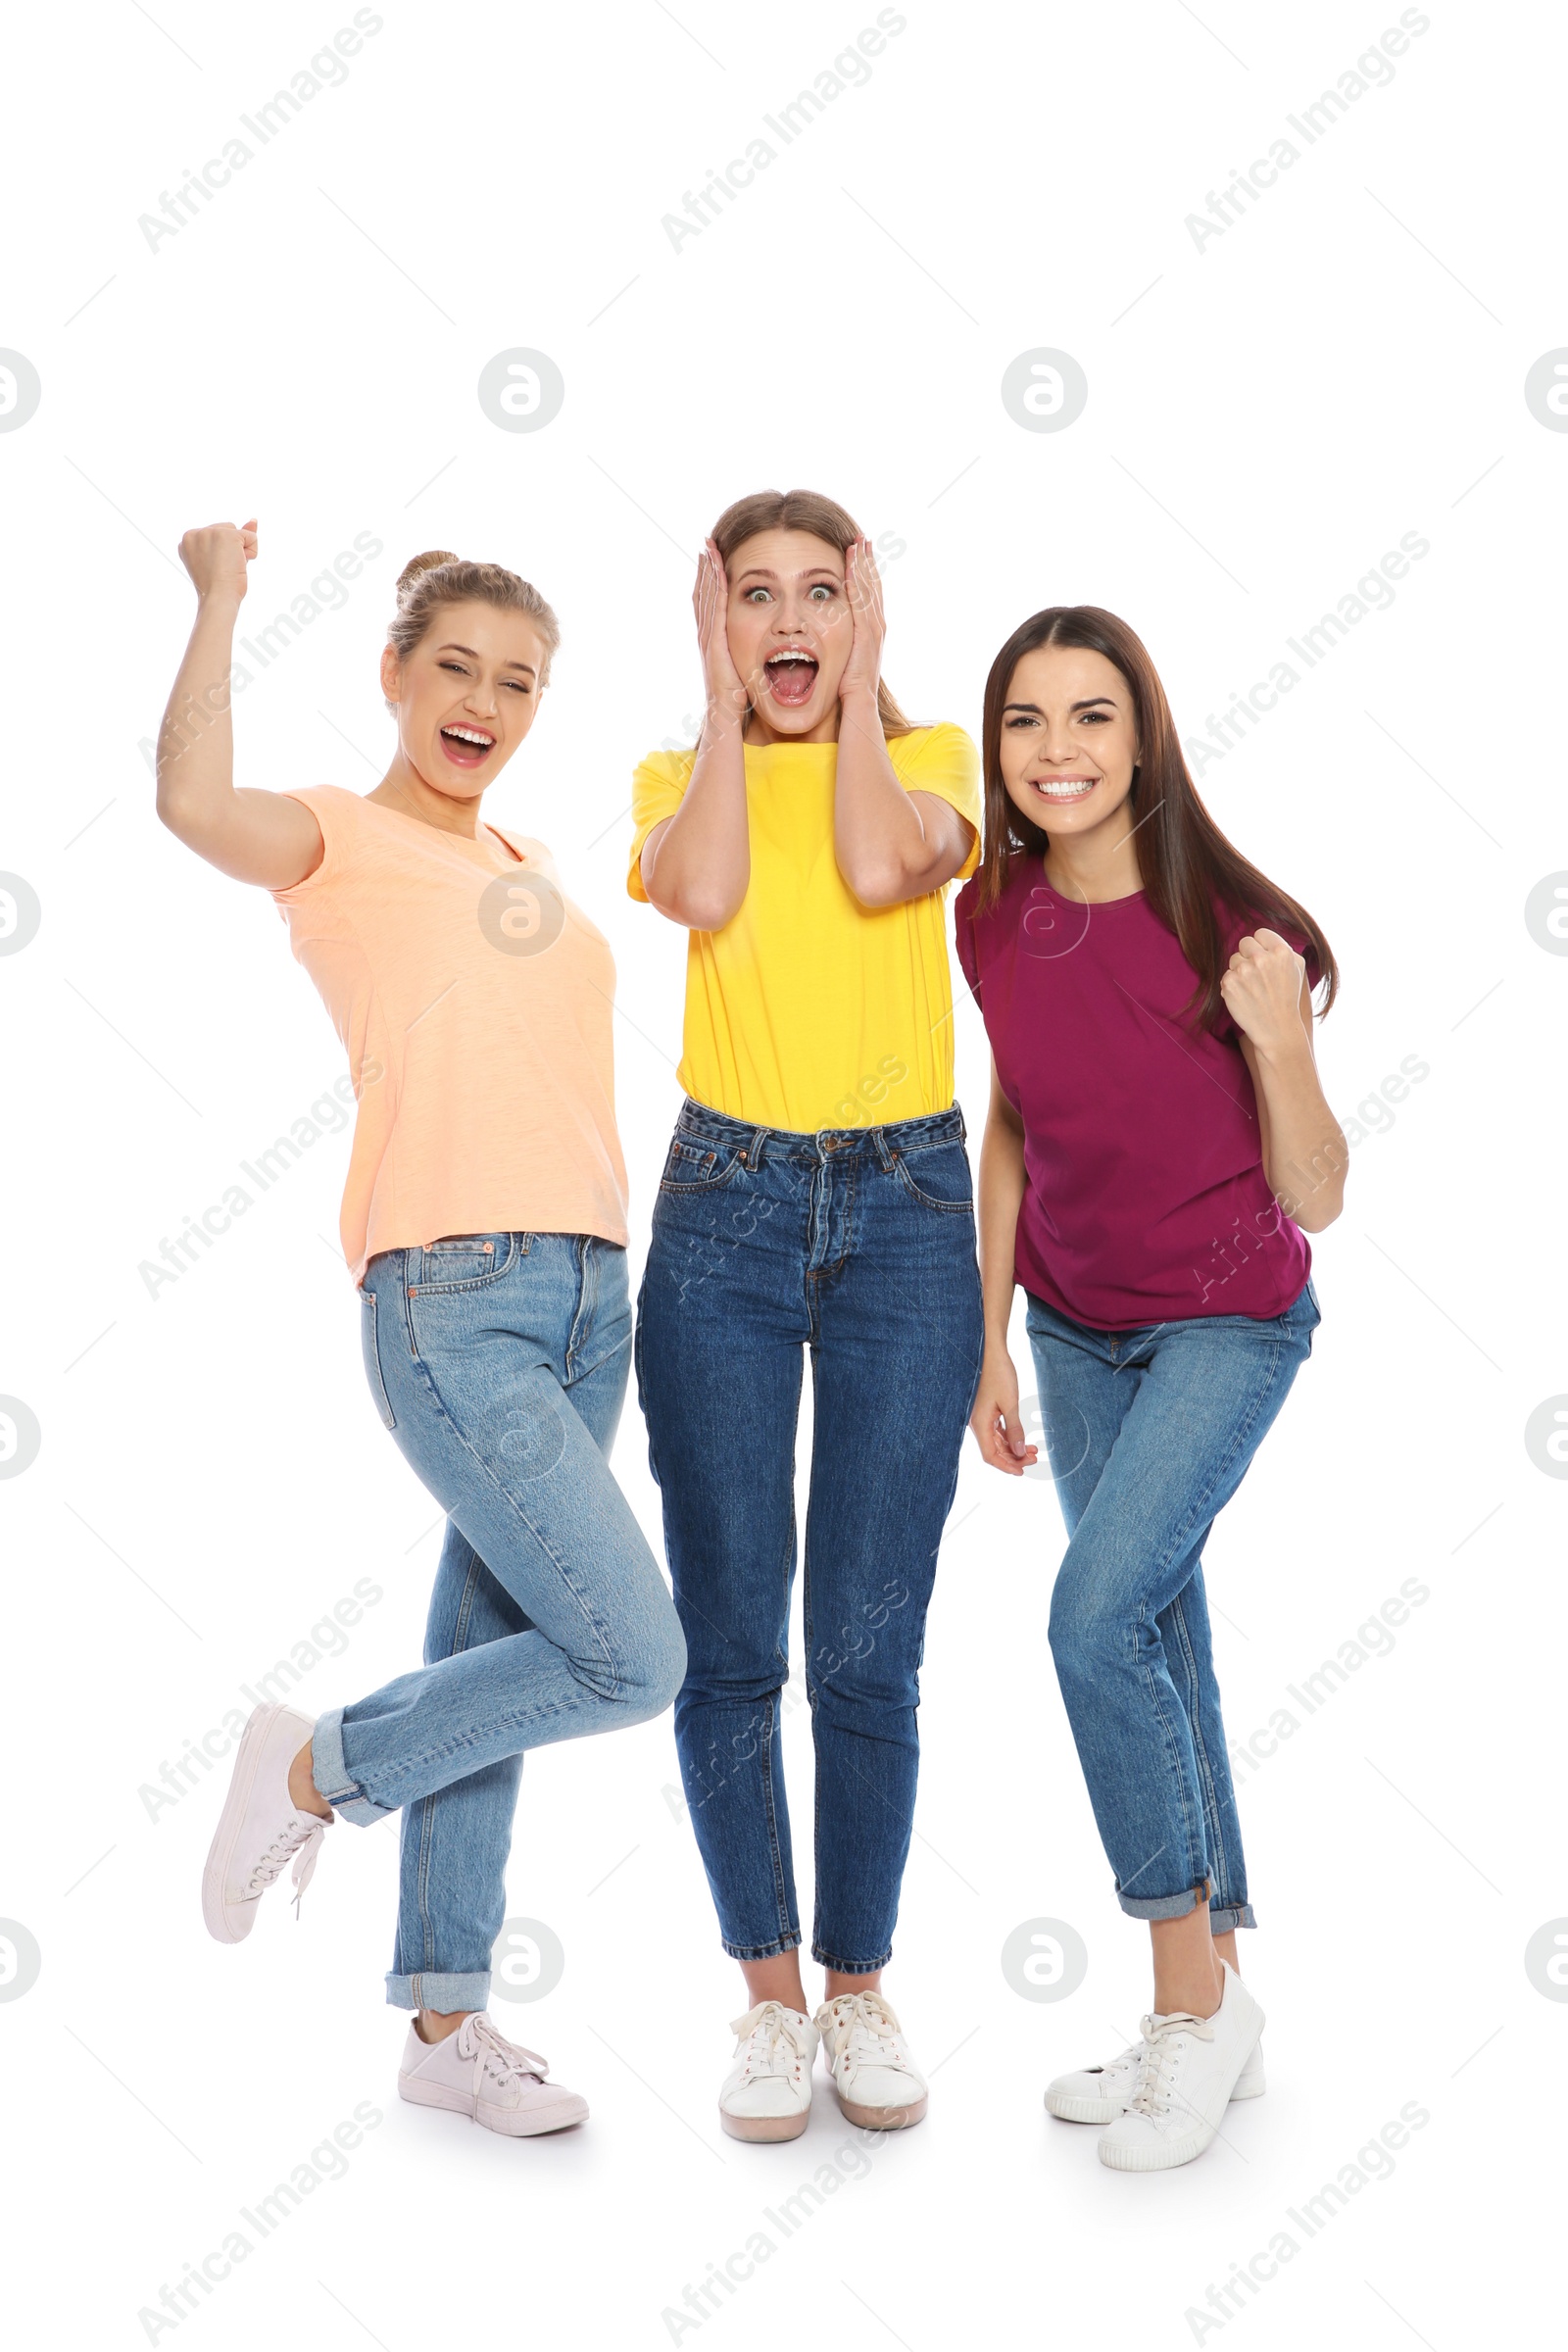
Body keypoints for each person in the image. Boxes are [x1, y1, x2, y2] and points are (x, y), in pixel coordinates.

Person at [158, 524, 685, 2137]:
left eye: (517, 680)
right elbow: (188, 801)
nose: (484, 699)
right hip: (451, 1299)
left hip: (595, 1298)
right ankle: (314, 1763)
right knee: (630, 1655)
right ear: (394, 674)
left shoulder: (520, 858)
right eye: (453, 665)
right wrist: (221, 599)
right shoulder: (336, 838)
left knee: (501, 1656)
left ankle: (444, 2027)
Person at [958, 604, 1347, 2172]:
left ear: (1145, 736)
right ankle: (1222, 2003)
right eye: (1028, 721)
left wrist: (1278, 1043)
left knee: (1094, 1617)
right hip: (1071, 1323)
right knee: (1159, 1631)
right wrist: (986, 1337)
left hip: (1225, 1326)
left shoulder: (1242, 929)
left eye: (1092, 717)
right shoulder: (989, 918)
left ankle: (1189, 2009)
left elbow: (1314, 1193)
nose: (1059, 752)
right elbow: (1011, 1125)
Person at [630, 489, 984, 2141]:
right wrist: (721, 703)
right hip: (726, 1215)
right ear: (717, 622)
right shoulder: (671, 778)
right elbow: (701, 897)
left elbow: (872, 865)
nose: (787, 621)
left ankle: (859, 1986)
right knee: (729, 1636)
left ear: (864, 614)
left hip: (908, 1221)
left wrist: (859, 695)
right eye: (754, 596)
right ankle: (768, 2001)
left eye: (820, 595)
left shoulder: (932, 775)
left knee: (869, 1637)